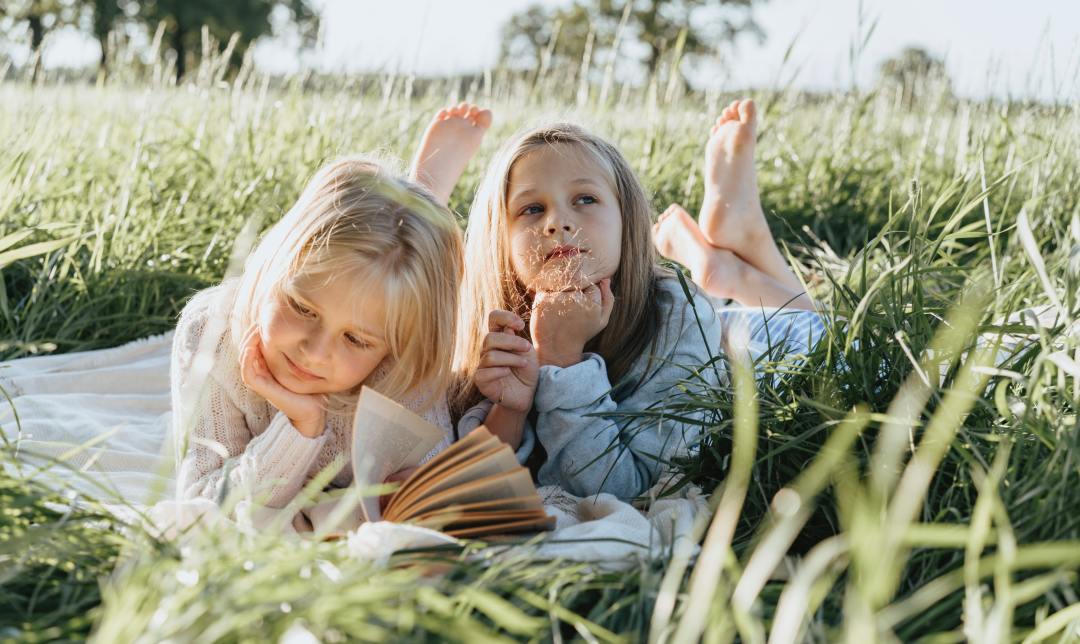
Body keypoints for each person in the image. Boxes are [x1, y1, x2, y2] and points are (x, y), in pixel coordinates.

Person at [174, 103, 491, 509]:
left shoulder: (404, 358)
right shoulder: (211, 331)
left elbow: (421, 494)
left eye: (355, 339)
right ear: (274, 266)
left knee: (410, 276)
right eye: (303, 308)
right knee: (384, 267)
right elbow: (202, 503)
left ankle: (423, 199)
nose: (315, 352)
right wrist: (300, 428)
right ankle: (421, 197)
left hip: (403, 309)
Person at [451, 118, 723, 500]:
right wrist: (508, 411)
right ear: (500, 239)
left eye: (585, 199)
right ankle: (720, 269)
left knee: (801, 321)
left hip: (755, 338)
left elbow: (625, 488)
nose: (558, 222)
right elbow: (472, 485)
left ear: (627, 219)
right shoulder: (490, 324)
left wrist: (562, 362)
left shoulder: (679, 315)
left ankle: (725, 263)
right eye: (531, 209)